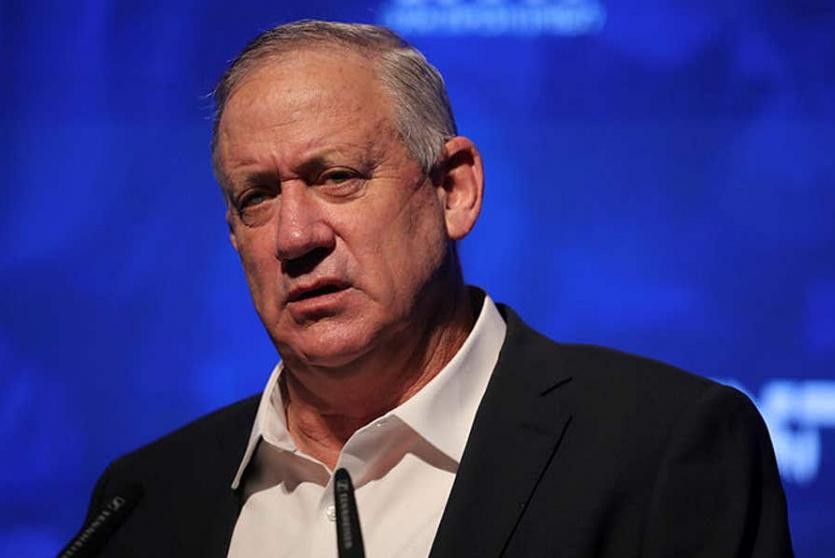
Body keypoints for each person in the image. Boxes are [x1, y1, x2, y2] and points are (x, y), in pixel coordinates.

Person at [73, 20, 794, 558]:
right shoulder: (143, 501)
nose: (294, 237)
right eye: (256, 196)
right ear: (233, 232)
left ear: (454, 190)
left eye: (336, 178)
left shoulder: (661, 448)